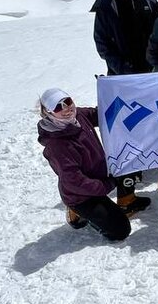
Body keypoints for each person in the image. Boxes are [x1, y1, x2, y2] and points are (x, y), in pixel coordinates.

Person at [89, 0, 158, 210]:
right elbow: (102, 44)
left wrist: (157, 61)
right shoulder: (107, 5)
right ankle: (131, 166)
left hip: (149, 70)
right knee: (127, 122)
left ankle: (152, 156)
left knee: (151, 115)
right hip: (122, 76)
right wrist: (121, 68)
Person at [36, 88, 136, 240]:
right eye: (58, 106)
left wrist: (122, 97)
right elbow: (74, 181)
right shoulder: (57, 145)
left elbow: (100, 114)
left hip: (97, 176)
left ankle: (125, 201)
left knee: (129, 160)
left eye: (67, 102)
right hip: (80, 195)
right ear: (48, 112)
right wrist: (106, 185)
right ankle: (76, 211)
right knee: (120, 230)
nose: (66, 108)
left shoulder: (78, 115)